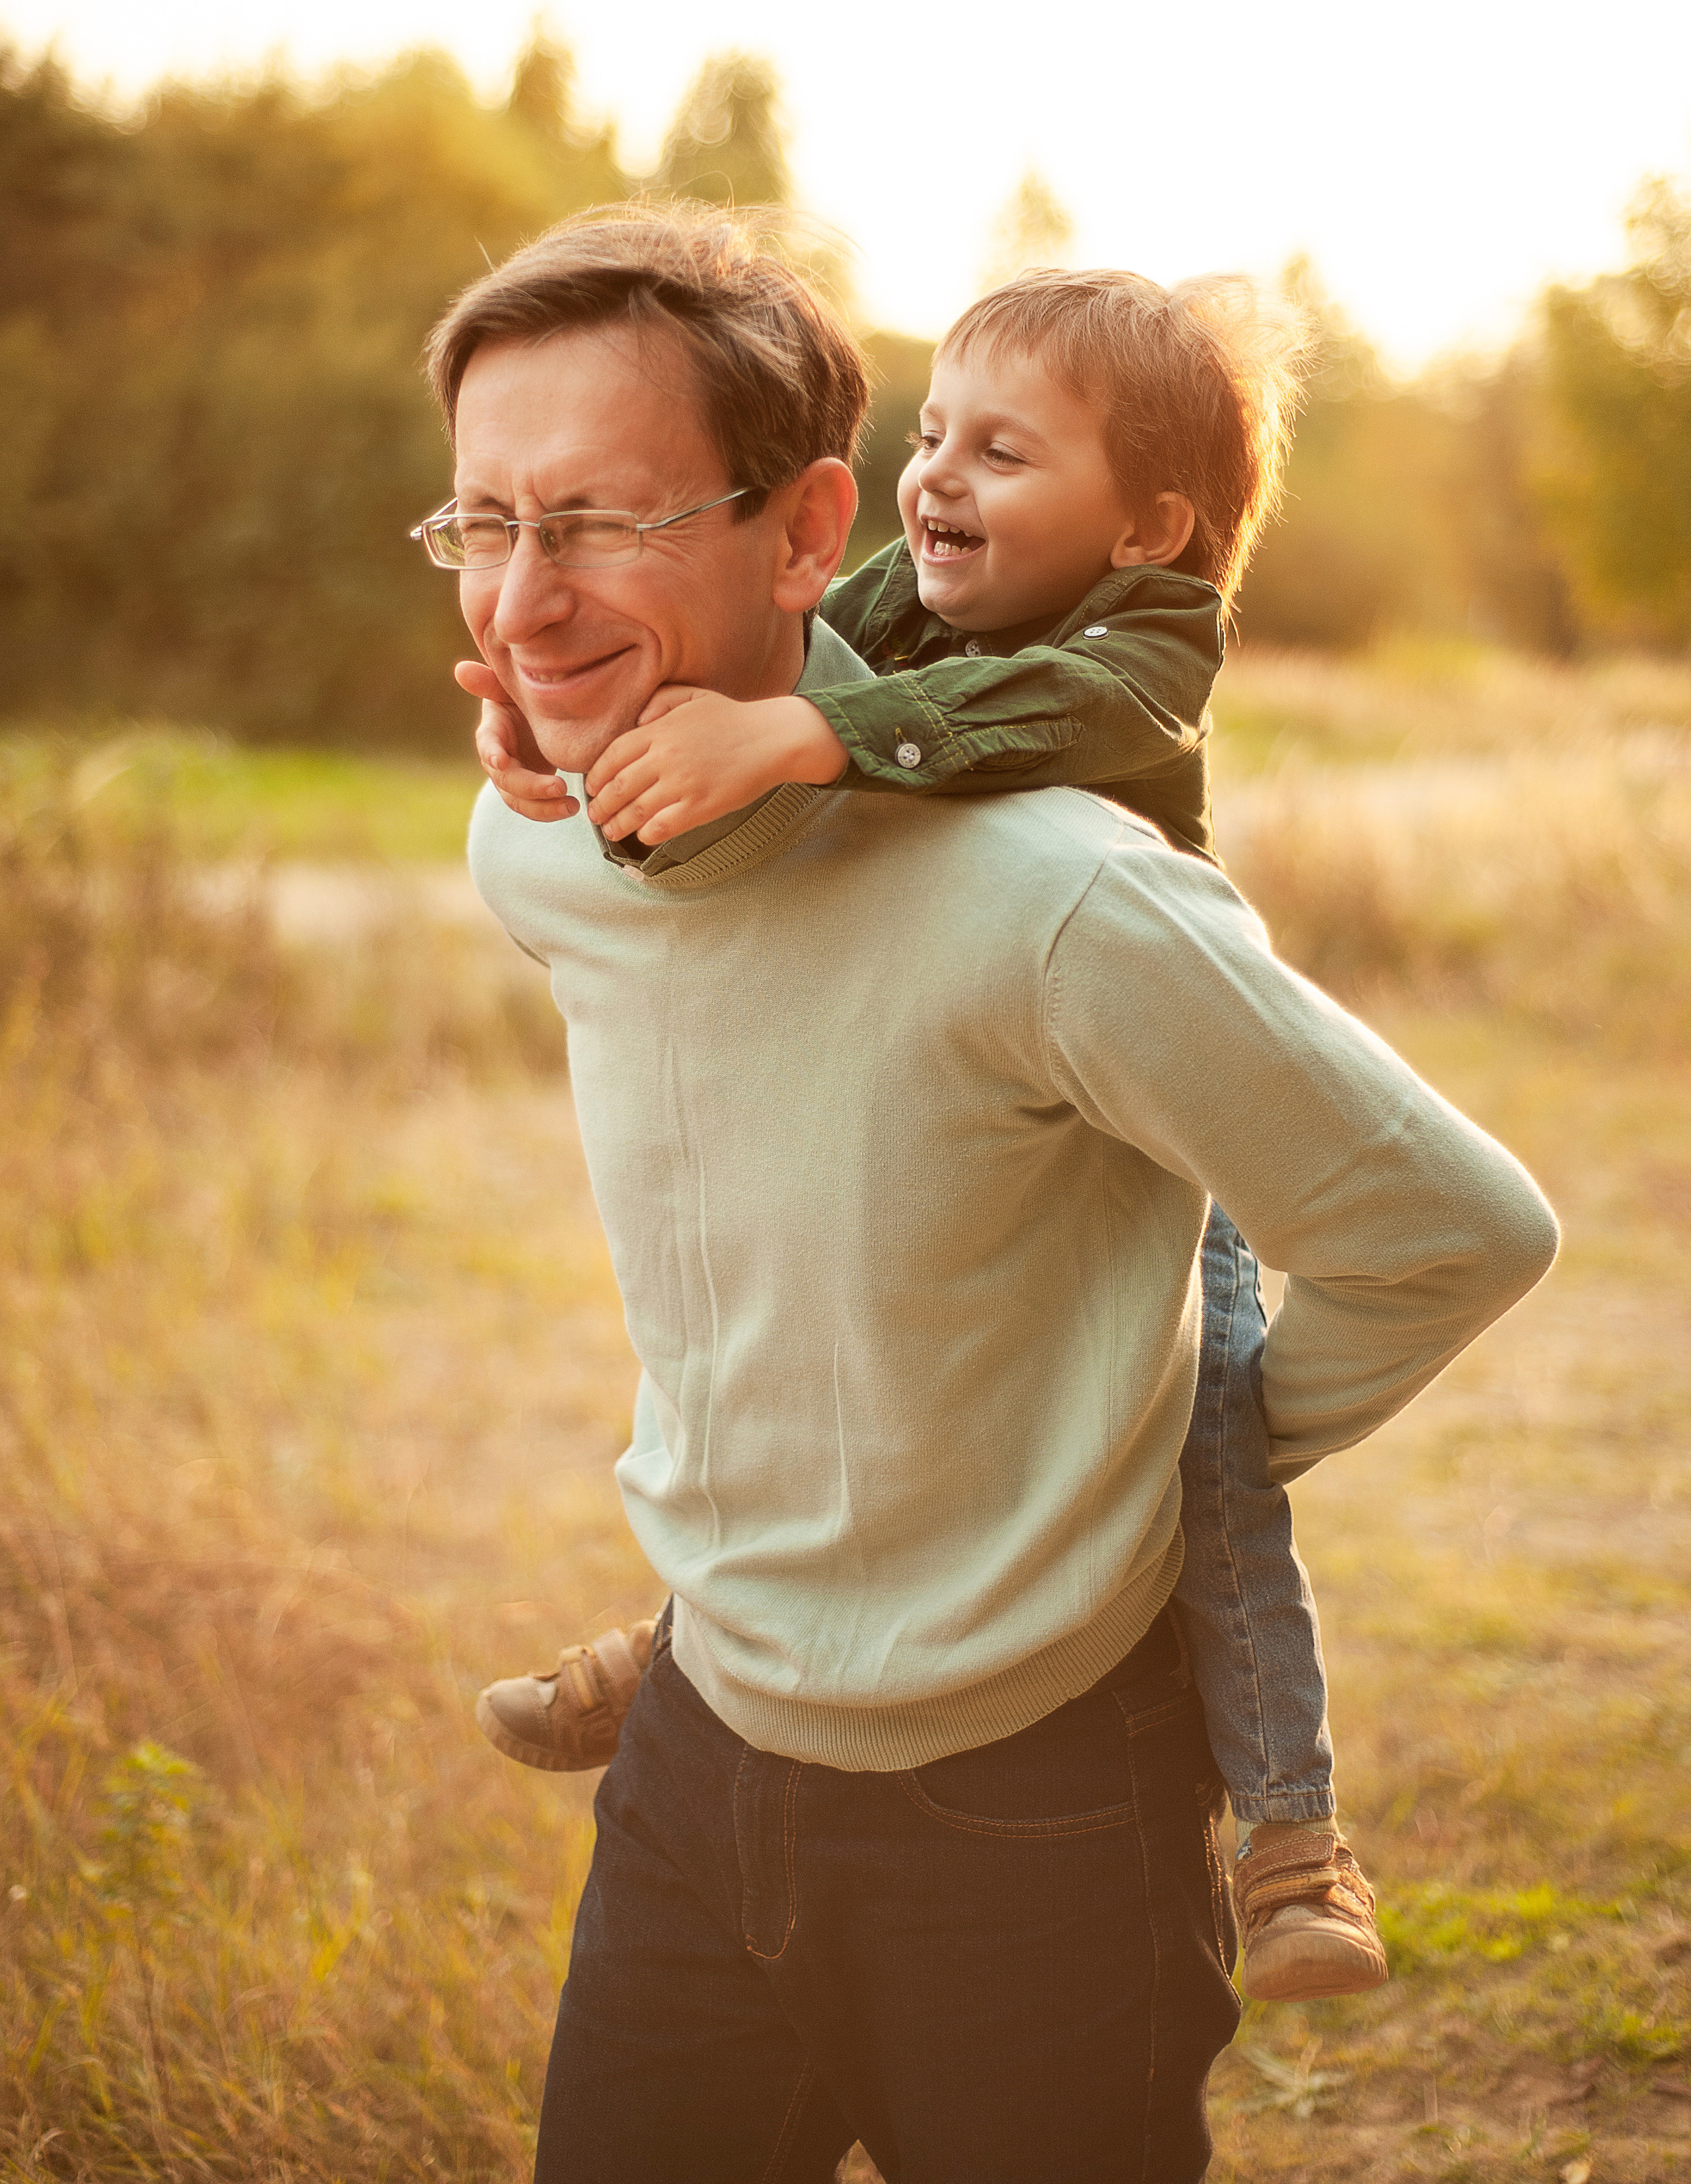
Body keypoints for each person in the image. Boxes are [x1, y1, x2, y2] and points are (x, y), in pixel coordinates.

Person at [421, 203, 1559, 2184]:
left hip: (1029, 1813)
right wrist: (559, 708)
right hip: (698, 1763)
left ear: (803, 536)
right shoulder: (541, 857)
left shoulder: (1060, 896)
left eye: (602, 517)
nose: (525, 596)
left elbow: (1452, 1232)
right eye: (487, 525)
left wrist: (1139, 1475)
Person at [469, 262, 1371, 2002]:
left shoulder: (1146, 648)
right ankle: (692, 1644)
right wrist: (564, 714)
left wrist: (809, 732)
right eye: (934, 432)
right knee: (838, 1375)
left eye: (1005, 453)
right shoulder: (908, 593)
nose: (937, 477)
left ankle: (1295, 1838)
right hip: (965, 1085)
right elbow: (763, 660)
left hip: (1132, 1127)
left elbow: (1015, 728)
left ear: (1150, 526)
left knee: (1221, 1471)